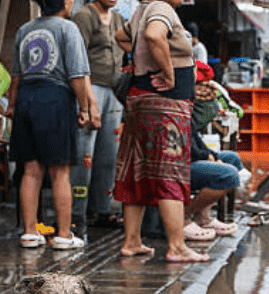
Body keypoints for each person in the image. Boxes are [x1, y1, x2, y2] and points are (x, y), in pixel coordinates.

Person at [113, 0, 208, 262]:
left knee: (136, 170)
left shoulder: (143, 9)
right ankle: (177, 246)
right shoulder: (161, 9)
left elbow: (122, 37)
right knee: (170, 171)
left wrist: (141, 62)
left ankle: (132, 241)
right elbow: (154, 35)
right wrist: (167, 72)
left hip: (141, 98)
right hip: (165, 105)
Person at [7, 0, 101, 250]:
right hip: (54, 99)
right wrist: (84, 107)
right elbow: (77, 74)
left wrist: (13, 105)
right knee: (60, 171)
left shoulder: (24, 30)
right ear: (65, 2)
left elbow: (16, 75)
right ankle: (63, 235)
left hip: (26, 98)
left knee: (30, 169)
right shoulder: (68, 29)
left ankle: (29, 232)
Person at [70, 0, 126, 239]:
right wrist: (87, 102)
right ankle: (75, 214)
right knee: (85, 155)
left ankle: (103, 210)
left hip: (113, 90)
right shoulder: (84, 16)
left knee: (108, 155)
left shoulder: (118, 19)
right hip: (90, 87)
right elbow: (78, 62)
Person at [184, 62, 240, 240]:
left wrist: (212, 156)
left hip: (193, 156)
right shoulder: (176, 102)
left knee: (232, 159)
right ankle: (184, 216)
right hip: (181, 164)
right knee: (228, 175)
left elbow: (194, 137)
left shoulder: (188, 103)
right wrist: (207, 157)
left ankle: (203, 217)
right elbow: (184, 145)